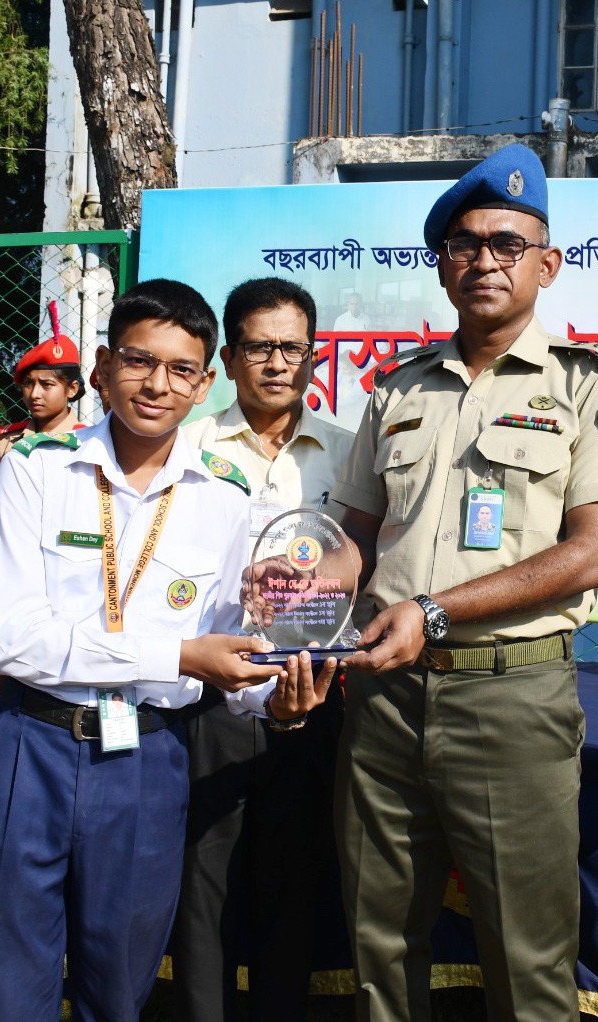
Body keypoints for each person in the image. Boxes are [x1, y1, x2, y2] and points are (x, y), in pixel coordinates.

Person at [0, 278, 333, 1022]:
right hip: (30, 743)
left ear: (203, 384)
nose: (157, 384)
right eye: (139, 361)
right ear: (102, 367)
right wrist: (179, 658)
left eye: (180, 370)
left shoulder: (222, 498)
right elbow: (16, 640)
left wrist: (282, 698)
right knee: (10, 984)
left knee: (121, 985)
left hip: (147, 761)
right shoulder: (38, 469)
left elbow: (236, 642)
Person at [331, 144, 598, 1022]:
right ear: (442, 264)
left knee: (527, 953)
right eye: (465, 244)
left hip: (511, 700)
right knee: (378, 945)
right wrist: (302, 586)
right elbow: (355, 536)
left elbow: (591, 554)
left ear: (546, 265)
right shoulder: (396, 387)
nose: (485, 261)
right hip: (383, 700)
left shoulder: (589, 386)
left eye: (508, 244)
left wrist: (433, 612)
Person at [171, 275, 355, 1022]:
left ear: (313, 354)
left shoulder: (347, 451)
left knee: (293, 883)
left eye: (292, 347)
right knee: (203, 885)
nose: (277, 363)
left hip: (313, 695)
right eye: (259, 347)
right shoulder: (185, 447)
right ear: (231, 354)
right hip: (209, 694)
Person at [0, 299, 84, 503]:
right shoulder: (8, 441)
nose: (34, 394)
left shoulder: (88, 442)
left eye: (47, 384)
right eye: (29, 383)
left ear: (72, 388)